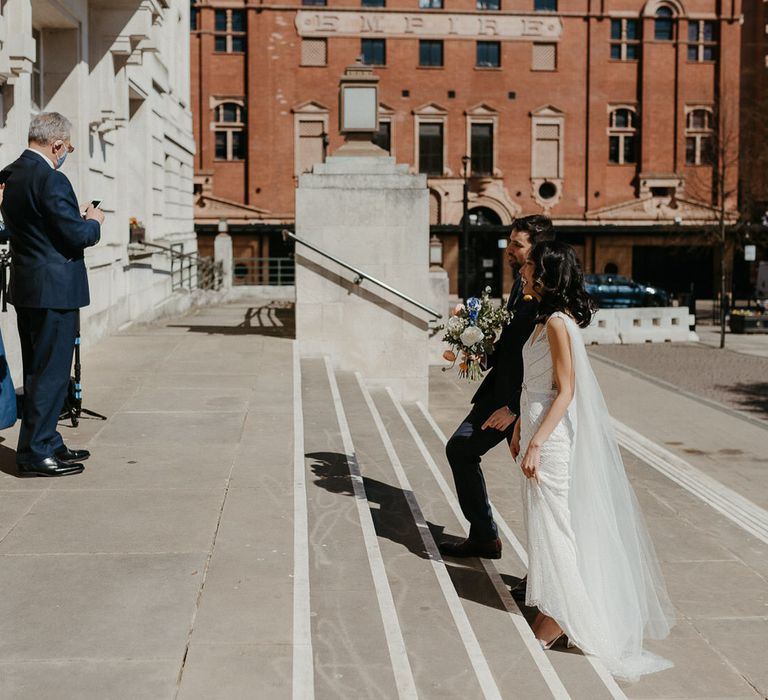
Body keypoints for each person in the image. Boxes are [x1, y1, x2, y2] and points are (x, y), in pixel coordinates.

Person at [512, 240, 675, 680]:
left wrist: (537, 442)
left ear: (546, 276)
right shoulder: (543, 319)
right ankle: (555, 606)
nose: (522, 272)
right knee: (544, 524)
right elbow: (535, 384)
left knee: (557, 525)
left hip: (552, 438)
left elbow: (566, 391)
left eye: (529, 267)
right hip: (534, 424)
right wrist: (518, 428)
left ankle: (561, 616)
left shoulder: (558, 325)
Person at [439, 215, 554, 559]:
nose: (509, 250)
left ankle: (544, 576)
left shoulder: (546, 292)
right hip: (499, 394)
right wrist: (480, 347)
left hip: (521, 402)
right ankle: (485, 535)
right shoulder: (522, 284)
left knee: (538, 484)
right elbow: (515, 343)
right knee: (460, 449)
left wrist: (516, 410)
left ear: (538, 249)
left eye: (517, 245)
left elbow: (544, 361)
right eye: (510, 243)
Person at [0, 112, 103, 477]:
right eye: (68, 148)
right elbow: (76, 237)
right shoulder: (52, 179)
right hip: (55, 291)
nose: (66, 153)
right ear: (57, 143)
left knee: (37, 370)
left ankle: (47, 440)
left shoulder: (10, 175)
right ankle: (35, 453)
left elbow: (31, 227)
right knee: (53, 373)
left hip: (28, 287)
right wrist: (92, 221)